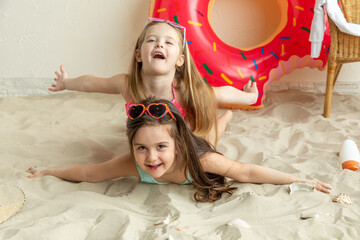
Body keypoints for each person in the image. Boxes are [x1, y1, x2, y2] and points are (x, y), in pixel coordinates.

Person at [27, 98, 331, 202]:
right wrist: (47, 171)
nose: (151, 158)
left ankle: (227, 115)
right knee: (204, 133)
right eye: (141, 148)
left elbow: (246, 171)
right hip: (186, 140)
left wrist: (297, 180)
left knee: (211, 134)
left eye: (160, 147)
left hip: (198, 147)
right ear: (132, 146)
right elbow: (89, 173)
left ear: (176, 144)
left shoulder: (200, 159)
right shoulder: (135, 163)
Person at [49, 18, 258, 144]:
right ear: (139, 55)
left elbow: (221, 93)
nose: (160, 45)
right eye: (152, 40)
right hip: (151, 144)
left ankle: (227, 117)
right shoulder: (129, 85)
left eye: (168, 42)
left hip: (185, 141)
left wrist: (250, 97)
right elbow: (93, 83)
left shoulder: (184, 90)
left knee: (210, 139)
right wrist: (67, 83)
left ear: (179, 60)